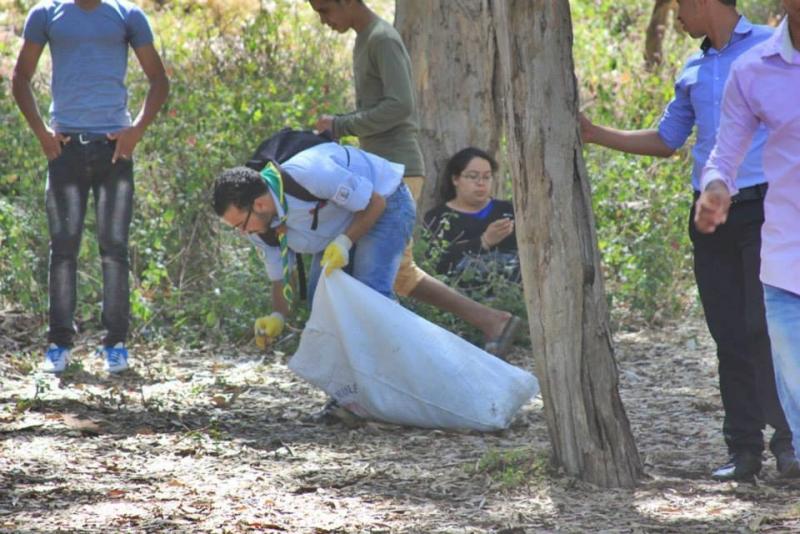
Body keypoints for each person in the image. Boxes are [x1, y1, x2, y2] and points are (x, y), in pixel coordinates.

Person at [580, 0, 797, 480]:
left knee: (767, 331)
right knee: (728, 333)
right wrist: (594, 133)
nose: (675, 16)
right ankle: (744, 451)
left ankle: (789, 445)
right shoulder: (693, 68)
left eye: (680, 6)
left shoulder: (773, 50)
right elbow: (666, 139)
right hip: (711, 215)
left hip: (767, 209)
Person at [309, 0, 521, 357]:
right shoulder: (365, 38)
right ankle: (491, 321)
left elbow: (400, 106)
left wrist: (342, 124)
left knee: (375, 277)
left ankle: (400, 366)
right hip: (380, 169)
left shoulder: (381, 39)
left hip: (396, 173)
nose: (323, 20)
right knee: (401, 274)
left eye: (325, 10)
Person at [11, 0, 169, 374]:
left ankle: (115, 345)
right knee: (63, 251)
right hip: (64, 150)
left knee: (114, 250)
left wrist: (135, 133)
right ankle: (58, 346)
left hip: (114, 151)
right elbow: (20, 78)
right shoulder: (46, 14)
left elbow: (159, 81)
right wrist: (42, 135)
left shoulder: (126, 15)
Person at [695, 1, 800, 478]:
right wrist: (716, 186)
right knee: (776, 362)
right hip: (783, 251)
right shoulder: (753, 69)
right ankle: (769, 450)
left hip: (772, 236)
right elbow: (726, 148)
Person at [212, 139, 416, 335]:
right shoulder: (257, 225)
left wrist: (344, 242)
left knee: (371, 295)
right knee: (321, 307)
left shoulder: (311, 173)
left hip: (386, 200)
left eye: (240, 225)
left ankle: (406, 360)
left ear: (259, 205)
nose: (242, 232)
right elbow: (280, 278)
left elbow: (376, 203)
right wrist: (278, 316)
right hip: (343, 222)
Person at [423, 148, 519, 285]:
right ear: (455, 179)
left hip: (510, 294)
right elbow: (435, 264)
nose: (481, 183)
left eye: (486, 177)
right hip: (460, 296)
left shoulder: (509, 210)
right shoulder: (438, 218)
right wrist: (484, 241)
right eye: (473, 176)